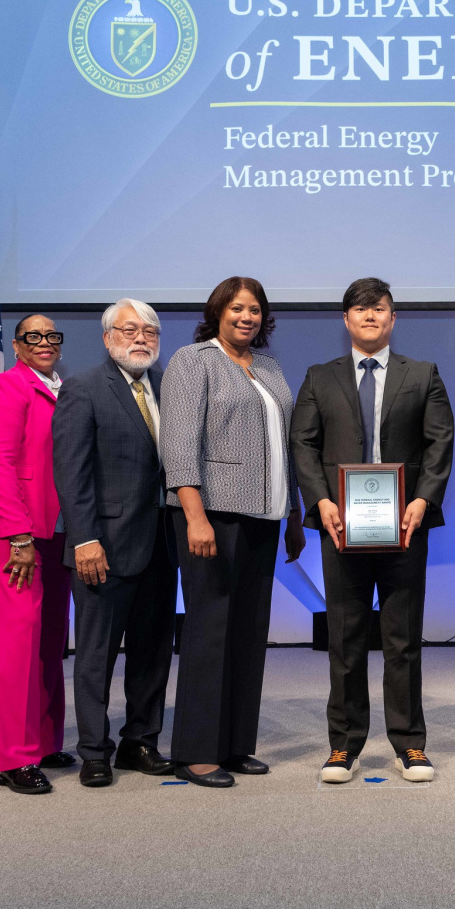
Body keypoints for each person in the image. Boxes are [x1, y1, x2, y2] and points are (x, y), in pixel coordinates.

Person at [290, 277, 454, 784]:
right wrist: (320, 500)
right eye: (359, 310)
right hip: (341, 528)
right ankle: (344, 746)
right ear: (346, 320)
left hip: (405, 527)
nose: (369, 316)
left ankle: (409, 744)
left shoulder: (423, 374)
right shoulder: (320, 377)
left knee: (402, 640)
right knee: (345, 638)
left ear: (392, 318)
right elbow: (304, 444)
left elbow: (440, 443)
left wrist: (424, 499)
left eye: (379, 309)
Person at [159, 277, 305, 788]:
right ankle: (196, 751)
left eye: (256, 309)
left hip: (265, 516)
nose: (247, 316)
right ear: (217, 311)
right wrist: (194, 515)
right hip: (212, 517)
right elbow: (177, 445)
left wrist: (293, 516)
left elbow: (283, 449)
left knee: (248, 633)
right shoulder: (192, 360)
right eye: (237, 308)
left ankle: (236, 744)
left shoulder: (269, 367)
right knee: (209, 631)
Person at [52, 299, 179, 789]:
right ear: (108, 338)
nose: (141, 338)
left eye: (150, 331)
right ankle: (93, 750)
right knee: (96, 656)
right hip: (101, 546)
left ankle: (140, 742)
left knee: (153, 653)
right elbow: (72, 472)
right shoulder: (83, 388)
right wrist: (84, 538)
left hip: (163, 546)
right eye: (129, 330)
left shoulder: (172, 388)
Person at [0, 314, 73, 794]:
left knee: (49, 639)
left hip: (53, 531)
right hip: (9, 534)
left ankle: (44, 740)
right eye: (34, 337)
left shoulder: (59, 387)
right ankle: (12, 756)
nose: (44, 343)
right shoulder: (7, 389)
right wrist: (18, 536)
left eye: (52, 336)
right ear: (16, 344)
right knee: (13, 644)